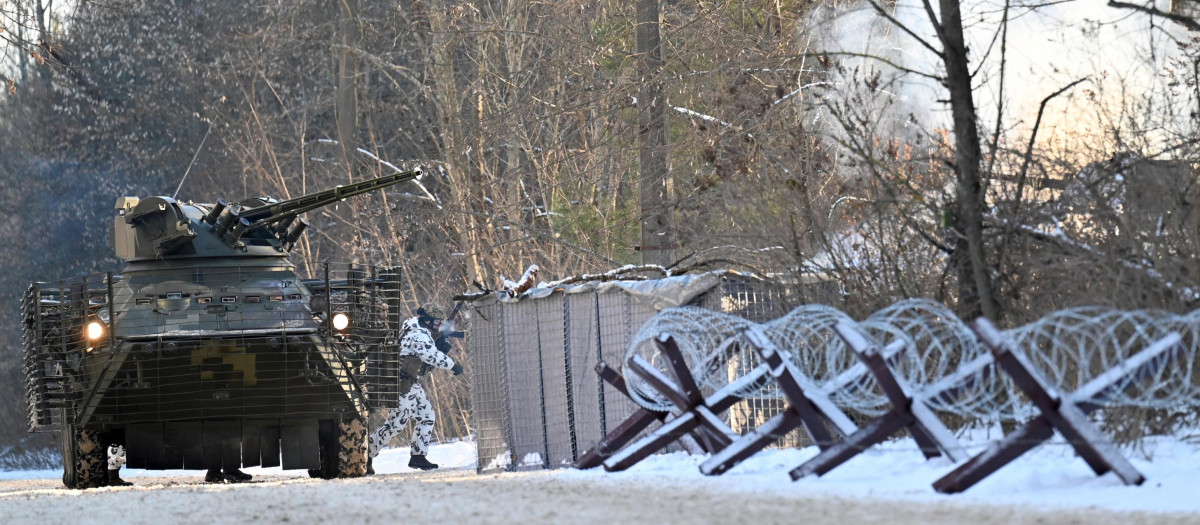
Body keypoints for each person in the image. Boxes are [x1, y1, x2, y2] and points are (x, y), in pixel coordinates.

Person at [368, 303, 463, 472]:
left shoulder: (418, 330)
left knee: (427, 416)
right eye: (436, 322)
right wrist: (453, 365)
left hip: (411, 382)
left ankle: (418, 456)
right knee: (396, 424)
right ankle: (365, 454)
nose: (438, 325)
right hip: (401, 384)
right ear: (426, 320)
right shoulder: (417, 334)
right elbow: (431, 356)